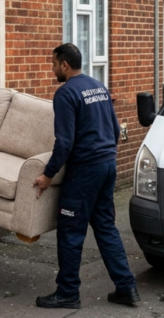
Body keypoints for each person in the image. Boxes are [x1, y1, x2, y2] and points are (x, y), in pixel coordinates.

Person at [32, 43, 138, 309]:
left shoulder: (66, 93)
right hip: (107, 165)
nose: (52, 69)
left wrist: (47, 175)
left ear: (64, 65)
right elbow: (115, 130)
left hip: (84, 172)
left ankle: (67, 293)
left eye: (54, 64)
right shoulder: (98, 86)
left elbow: (64, 142)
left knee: (70, 231)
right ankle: (126, 287)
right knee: (105, 227)